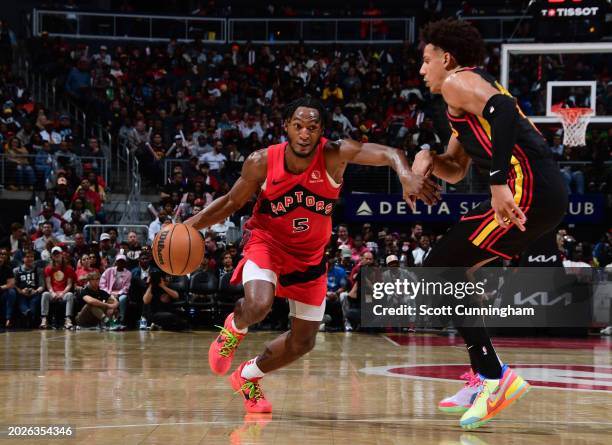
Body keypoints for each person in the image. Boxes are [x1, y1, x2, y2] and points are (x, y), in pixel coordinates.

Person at [185, 96, 439, 413]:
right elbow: (230, 202)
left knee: (303, 342)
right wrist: (190, 225)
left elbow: (390, 152)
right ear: (287, 128)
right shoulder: (261, 161)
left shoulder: (334, 155)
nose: (305, 133)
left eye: (312, 127)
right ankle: (234, 328)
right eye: (298, 126)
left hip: (309, 256)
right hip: (268, 243)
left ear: (321, 131)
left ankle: (247, 376)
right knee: (259, 304)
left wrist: (404, 173)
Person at [413, 18, 568, 429]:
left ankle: (495, 377)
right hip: (542, 192)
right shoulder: (463, 97)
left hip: (527, 187)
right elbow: (456, 170)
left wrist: (499, 182)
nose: (422, 70)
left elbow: (501, 111)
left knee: (439, 269)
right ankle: (487, 373)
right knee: (448, 271)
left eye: (426, 61)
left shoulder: (458, 81)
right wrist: (427, 158)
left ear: (446, 58)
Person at [40, 246, 76, 329]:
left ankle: (68, 319)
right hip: (53, 293)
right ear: (52, 256)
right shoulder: (48, 268)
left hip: (64, 293)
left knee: (70, 295)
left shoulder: (68, 268)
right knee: (45, 294)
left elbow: (69, 284)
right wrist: (52, 293)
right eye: (54, 254)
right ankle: (44, 319)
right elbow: (48, 284)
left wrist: (63, 293)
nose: (56, 255)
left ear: (62, 254)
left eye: (58, 253)